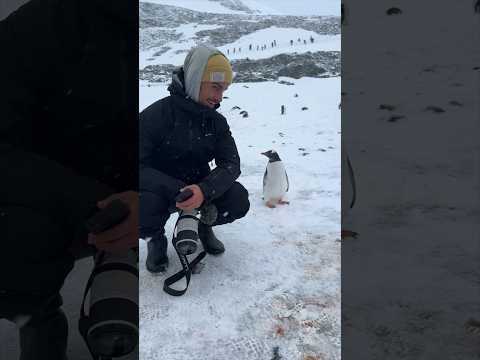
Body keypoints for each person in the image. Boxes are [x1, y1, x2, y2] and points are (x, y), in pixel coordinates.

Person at [0, 0, 138, 359]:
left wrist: (148, 200)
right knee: (13, 256)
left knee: (125, 313)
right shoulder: (42, 23)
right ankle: (39, 322)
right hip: (59, 202)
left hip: (144, 204)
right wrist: (104, 207)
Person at [139, 44, 250, 273]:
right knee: (140, 207)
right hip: (161, 190)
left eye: (224, 90)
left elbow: (231, 163)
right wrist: (176, 190)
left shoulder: (216, 122)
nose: (219, 97)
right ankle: (155, 239)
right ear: (195, 78)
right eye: (215, 87)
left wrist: (204, 190)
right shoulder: (155, 116)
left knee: (237, 198)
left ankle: (203, 226)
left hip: (201, 189)